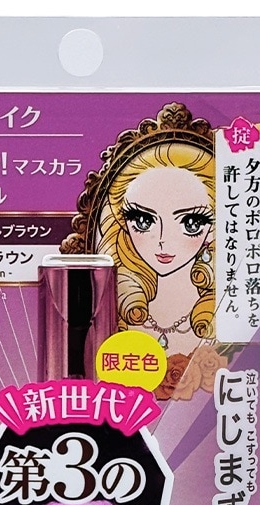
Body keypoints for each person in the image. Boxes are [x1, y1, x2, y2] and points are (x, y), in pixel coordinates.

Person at [61, 103, 229, 398]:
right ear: (122, 222)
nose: (163, 241)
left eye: (191, 223)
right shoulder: (109, 310)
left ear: (215, 227)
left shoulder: (224, 310)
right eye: (143, 221)